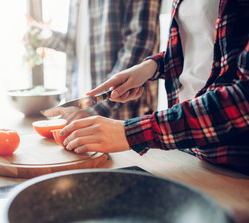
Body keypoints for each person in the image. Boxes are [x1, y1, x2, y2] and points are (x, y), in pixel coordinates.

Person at [59, 0, 249, 173]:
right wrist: (151, 67)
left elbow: (243, 99)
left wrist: (131, 132)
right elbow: (202, 49)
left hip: (234, 164)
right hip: (187, 152)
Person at [25, 0, 161, 121]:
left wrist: (96, 109)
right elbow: (80, 45)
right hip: (81, 109)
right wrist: (45, 37)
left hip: (123, 116)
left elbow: (140, 43)